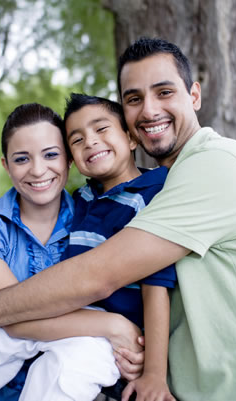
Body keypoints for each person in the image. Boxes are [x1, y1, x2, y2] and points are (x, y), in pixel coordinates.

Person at [0, 36, 236, 401]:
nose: (149, 111)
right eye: (134, 99)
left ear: (194, 95)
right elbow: (76, 249)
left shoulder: (211, 167)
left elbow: (99, 273)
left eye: (164, 92)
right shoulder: (151, 186)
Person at [0, 102, 143, 401]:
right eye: (21, 158)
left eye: (51, 155)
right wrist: (111, 325)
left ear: (69, 160)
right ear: (6, 165)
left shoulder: (90, 217)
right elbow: (8, 314)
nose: (38, 170)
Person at [19, 92, 176, 400]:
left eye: (101, 129)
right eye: (76, 140)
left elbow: (156, 285)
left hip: (115, 340)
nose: (90, 141)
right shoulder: (81, 199)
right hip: (66, 317)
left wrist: (155, 374)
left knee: (58, 375)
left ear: (131, 139)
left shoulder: (153, 193)